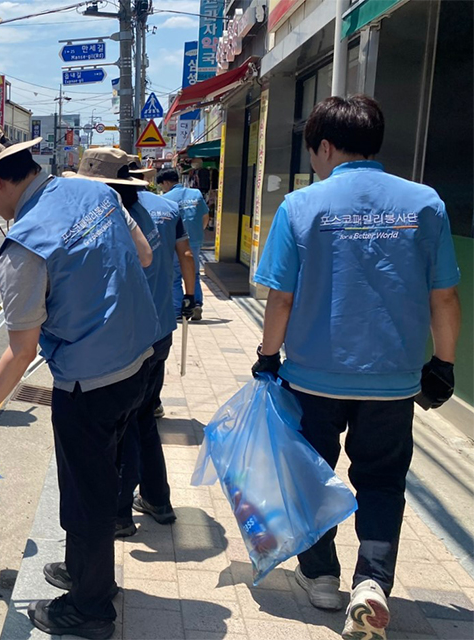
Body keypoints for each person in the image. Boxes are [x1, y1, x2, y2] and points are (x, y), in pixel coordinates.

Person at [0, 125, 160, 640]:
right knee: (103, 480)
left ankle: (90, 609)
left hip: (90, 383)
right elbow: (144, 256)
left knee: (85, 496)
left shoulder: (24, 245)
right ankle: (88, 574)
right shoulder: (96, 191)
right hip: (140, 362)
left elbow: (21, 351)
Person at [252, 95, 461, 640]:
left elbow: (280, 299)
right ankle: (372, 585)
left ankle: (322, 578)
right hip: (394, 381)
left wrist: (268, 357)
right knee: (383, 482)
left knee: (313, 477)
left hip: (313, 378)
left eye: (314, 153)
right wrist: (443, 364)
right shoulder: (426, 203)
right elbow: (444, 296)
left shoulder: (302, 206)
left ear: (324, 146)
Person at [101, 158, 197, 535]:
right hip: (161, 330)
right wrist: (191, 297)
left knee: (125, 425)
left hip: (127, 336)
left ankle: (121, 513)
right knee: (143, 419)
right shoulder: (167, 209)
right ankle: (157, 498)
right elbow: (186, 255)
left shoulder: (110, 214)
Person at [156, 167, 209, 321]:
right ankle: (196, 304)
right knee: (194, 273)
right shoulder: (196, 194)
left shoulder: (165, 198)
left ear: (165, 182)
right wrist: (199, 232)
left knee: (176, 276)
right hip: (195, 241)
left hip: (176, 242)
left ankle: (178, 309)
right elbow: (205, 216)